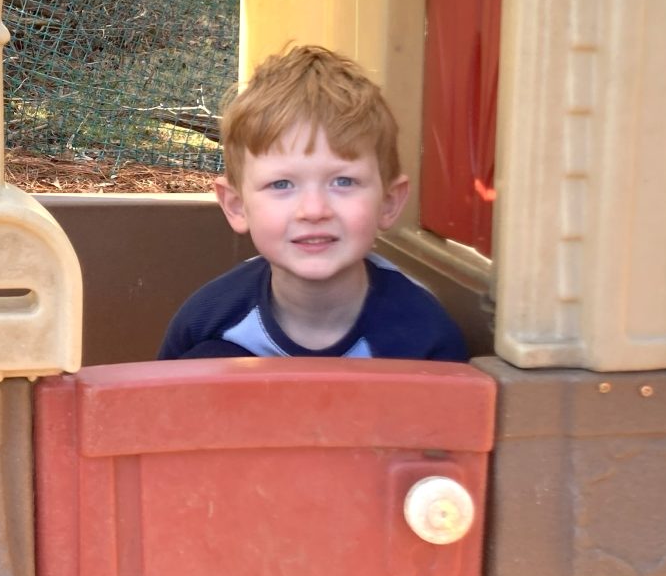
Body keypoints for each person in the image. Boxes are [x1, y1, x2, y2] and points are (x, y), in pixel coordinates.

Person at [160, 45, 468, 363]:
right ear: (237, 207)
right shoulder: (208, 323)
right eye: (282, 184)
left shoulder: (424, 340)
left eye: (343, 182)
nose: (314, 210)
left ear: (388, 203)